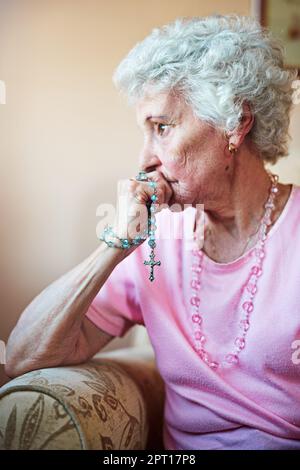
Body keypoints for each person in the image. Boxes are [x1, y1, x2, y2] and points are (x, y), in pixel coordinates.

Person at [5, 14, 300, 450]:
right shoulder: (156, 242)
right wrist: (114, 246)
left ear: (236, 123)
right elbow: (23, 356)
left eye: (162, 128)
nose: (144, 158)